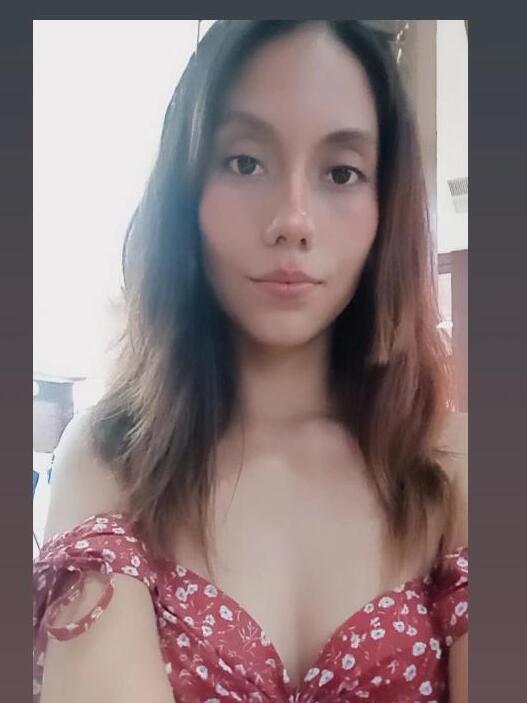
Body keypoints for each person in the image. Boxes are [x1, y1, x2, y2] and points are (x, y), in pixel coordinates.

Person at [33, 20, 468, 703]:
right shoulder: (111, 456)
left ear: (385, 206)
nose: (292, 220)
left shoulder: (452, 464)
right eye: (243, 162)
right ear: (186, 189)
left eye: (341, 172)